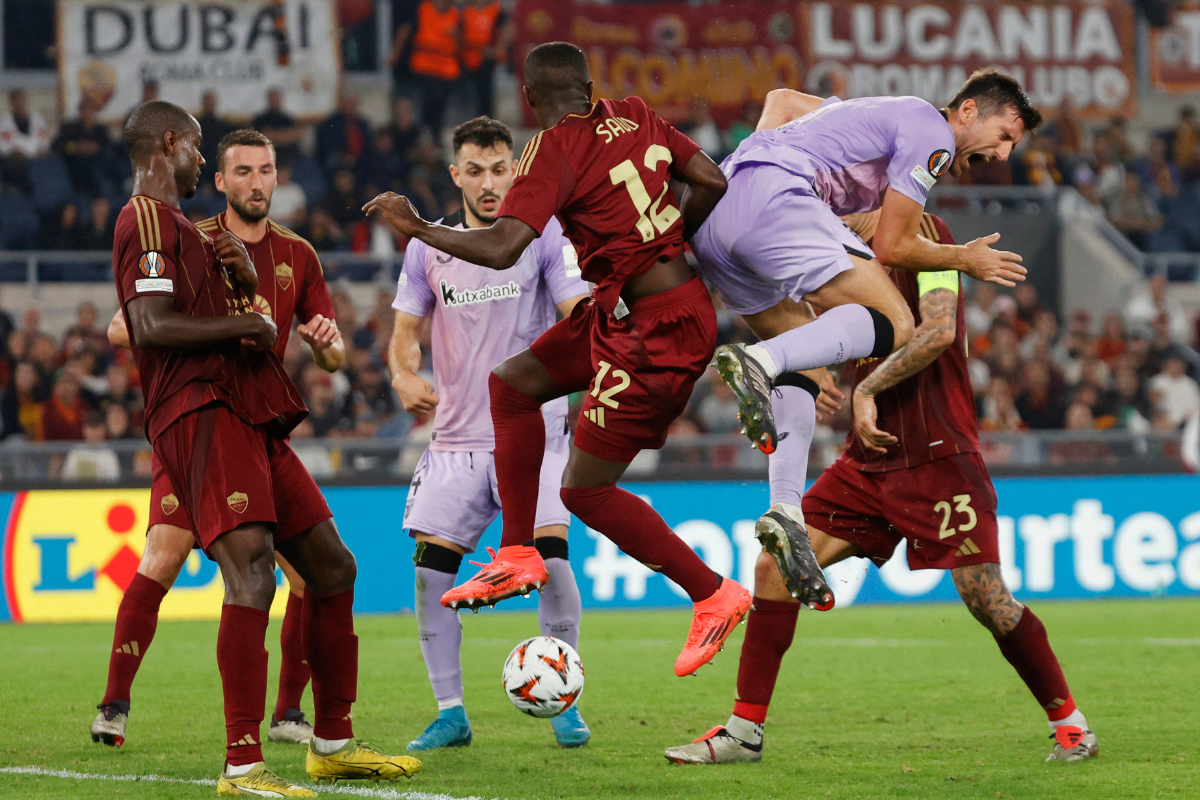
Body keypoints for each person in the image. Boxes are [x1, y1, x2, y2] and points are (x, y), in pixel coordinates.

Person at [366, 41, 746, 678]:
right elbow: (711, 178)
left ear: (529, 100)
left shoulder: (552, 149)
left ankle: (712, 593)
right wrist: (664, 239)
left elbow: (504, 246)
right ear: (591, 87)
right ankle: (517, 551)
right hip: (646, 308)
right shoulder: (636, 112)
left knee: (584, 493)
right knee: (513, 383)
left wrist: (418, 227)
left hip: (651, 333)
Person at [664, 213, 1097, 766]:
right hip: (868, 460)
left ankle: (1071, 727)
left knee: (987, 598)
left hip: (940, 454)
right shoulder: (830, 243)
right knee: (775, 565)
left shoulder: (925, 231)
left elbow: (938, 330)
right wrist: (816, 373)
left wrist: (865, 387)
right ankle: (744, 733)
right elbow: (822, 331)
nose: (832, 196)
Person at [94, 100, 419, 795]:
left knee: (333, 567)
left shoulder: (194, 231)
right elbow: (147, 325)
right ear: (172, 143)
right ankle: (241, 764)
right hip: (201, 411)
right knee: (250, 575)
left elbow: (234, 324)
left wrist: (239, 288)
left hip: (250, 413)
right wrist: (242, 319)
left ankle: (330, 741)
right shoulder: (145, 219)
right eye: (204, 151)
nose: (204, 163)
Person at [689, 69, 1038, 608]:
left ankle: (786, 512)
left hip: (715, 214)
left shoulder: (859, 116)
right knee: (894, 322)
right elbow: (896, 247)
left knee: (804, 368)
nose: (1004, 154)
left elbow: (779, 100)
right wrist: (965, 257)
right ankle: (757, 360)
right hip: (772, 195)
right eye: (1005, 134)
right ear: (967, 111)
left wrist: (751, 175)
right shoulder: (935, 136)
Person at [97, 127, 350, 750]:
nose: (256, 182)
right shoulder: (187, 235)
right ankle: (115, 702)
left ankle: (292, 715)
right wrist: (233, 326)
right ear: (221, 182)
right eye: (241, 172)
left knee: (308, 573)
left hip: (257, 426)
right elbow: (124, 328)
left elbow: (336, 358)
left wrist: (327, 348)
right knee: (165, 553)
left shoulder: (300, 255)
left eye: (265, 171)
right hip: (202, 421)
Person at [389, 116, 590, 750]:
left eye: (500, 169)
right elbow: (402, 339)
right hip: (454, 442)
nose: (489, 182)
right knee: (430, 575)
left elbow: (575, 315)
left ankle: (563, 700)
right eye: (474, 171)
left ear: (515, 171)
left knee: (550, 559)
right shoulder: (428, 246)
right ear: (456, 175)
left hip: (532, 435)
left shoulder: (542, 235)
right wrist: (402, 376)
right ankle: (451, 711)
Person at [404, 0, 461, 139]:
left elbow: (462, 39)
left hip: (446, 68)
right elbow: (406, 30)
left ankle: (435, 134)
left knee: (441, 104)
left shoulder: (457, 14)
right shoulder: (422, 9)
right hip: (425, 65)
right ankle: (425, 131)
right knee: (428, 100)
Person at [460, 0, 513, 120]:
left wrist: (498, 47)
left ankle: (486, 121)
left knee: (486, 95)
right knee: (468, 96)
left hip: (487, 60)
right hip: (466, 59)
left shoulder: (496, 11)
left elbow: (509, 28)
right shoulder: (465, 11)